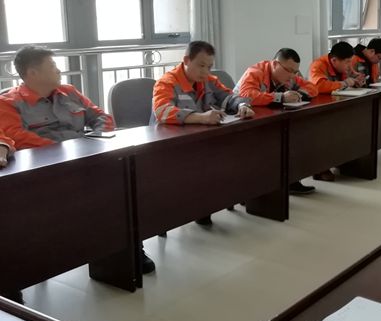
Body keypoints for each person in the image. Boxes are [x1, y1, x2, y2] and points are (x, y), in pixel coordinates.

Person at [0, 46, 142, 281]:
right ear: (33, 73)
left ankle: (128, 248)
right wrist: (66, 150)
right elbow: (18, 138)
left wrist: (93, 141)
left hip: (86, 161)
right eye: (53, 66)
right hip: (45, 173)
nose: (59, 71)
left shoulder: (69, 92)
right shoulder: (8, 103)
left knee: (125, 181)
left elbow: (102, 117)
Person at [153, 41, 255, 226]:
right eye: (201, 65)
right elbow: (162, 111)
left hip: (200, 139)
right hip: (171, 145)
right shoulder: (167, 82)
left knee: (242, 147)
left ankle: (231, 194)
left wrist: (242, 105)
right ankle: (201, 204)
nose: (205, 72)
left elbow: (228, 96)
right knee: (207, 160)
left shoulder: (208, 80)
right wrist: (201, 117)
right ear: (186, 60)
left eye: (209, 67)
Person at [235, 48, 320, 195]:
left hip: (268, 119)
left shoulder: (289, 77)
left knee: (294, 136)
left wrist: (300, 93)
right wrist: (280, 97)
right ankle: (257, 190)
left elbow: (313, 88)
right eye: (289, 71)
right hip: (243, 122)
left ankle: (290, 180)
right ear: (275, 64)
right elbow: (247, 95)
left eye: (295, 72)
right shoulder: (255, 72)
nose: (292, 76)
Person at [309, 42, 364, 180]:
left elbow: (349, 78)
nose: (349, 65)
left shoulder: (343, 63)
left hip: (336, 103)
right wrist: (345, 83)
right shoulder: (318, 65)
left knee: (352, 125)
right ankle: (321, 168)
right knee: (328, 131)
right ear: (334, 60)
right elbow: (319, 86)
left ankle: (344, 160)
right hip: (317, 109)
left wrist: (356, 80)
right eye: (347, 62)